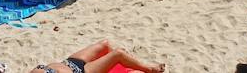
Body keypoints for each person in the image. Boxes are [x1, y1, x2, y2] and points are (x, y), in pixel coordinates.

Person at [28, 40, 165, 73]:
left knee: (104, 44)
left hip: (70, 63)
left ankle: (119, 68)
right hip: (83, 71)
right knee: (118, 53)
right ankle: (150, 69)